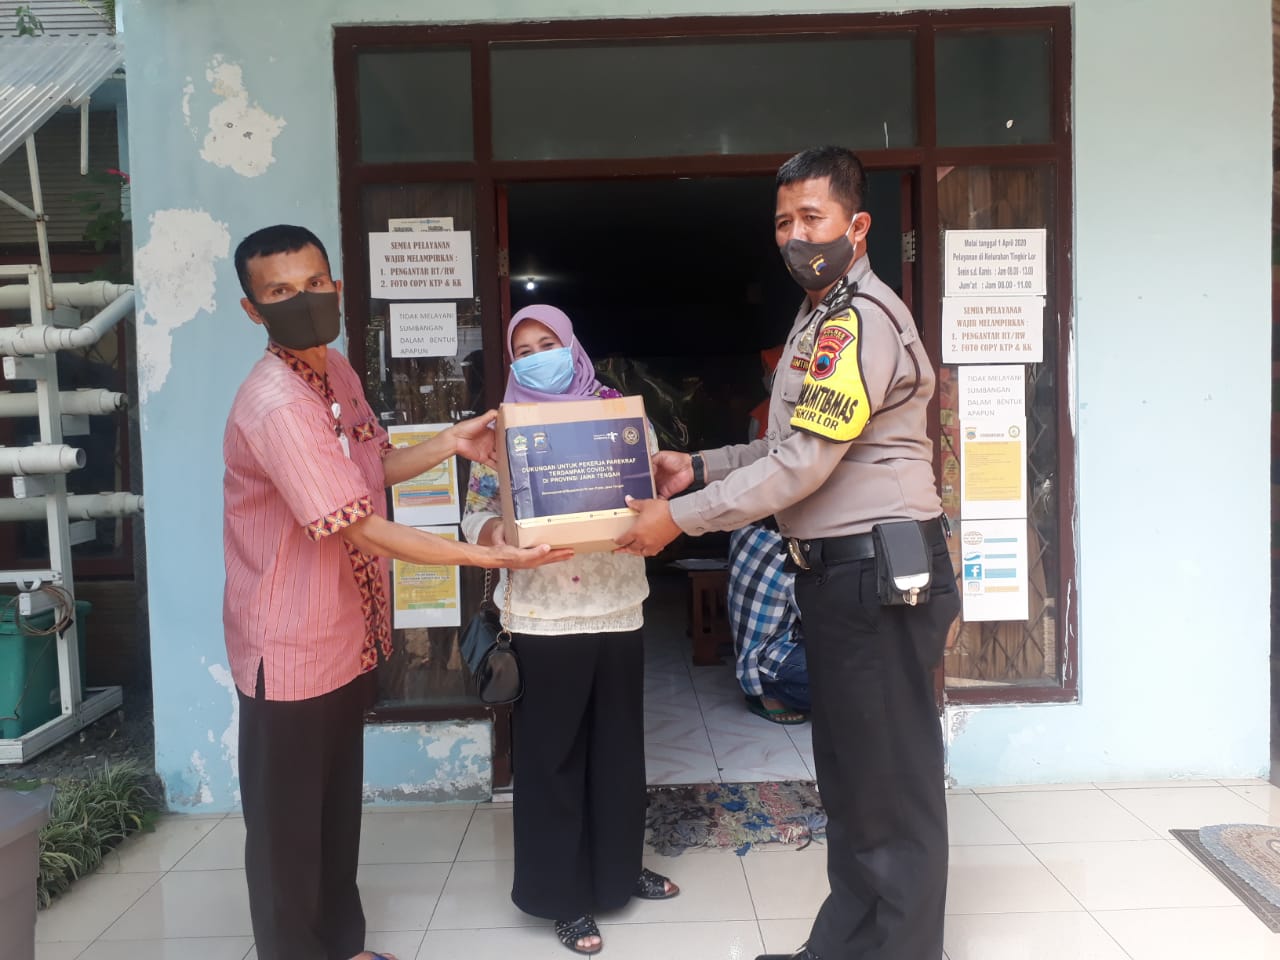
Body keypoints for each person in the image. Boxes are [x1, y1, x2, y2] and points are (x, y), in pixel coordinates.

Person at [617, 147, 960, 960]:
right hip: (842, 578)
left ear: (856, 224)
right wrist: (698, 467)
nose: (796, 236)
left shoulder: (858, 320)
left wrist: (680, 519)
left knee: (891, 784)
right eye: (783, 222)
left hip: (877, 574)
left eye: (812, 217)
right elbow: (785, 445)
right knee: (851, 779)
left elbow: (804, 466)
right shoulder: (816, 319)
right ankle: (844, 944)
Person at [223, 225, 570, 960]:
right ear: (253, 310)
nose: (303, 300)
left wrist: (449, 442)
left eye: (314, 283)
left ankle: (343, 946)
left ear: (336, 285)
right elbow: (361, 527)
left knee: (332, 815)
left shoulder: (336, 372)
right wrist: (480, 552)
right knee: (288, 834)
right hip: (288, 646)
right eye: (279, 291)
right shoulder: (276, 403)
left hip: (343, 638)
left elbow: (370, 468)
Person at [461, 304, 678, 955]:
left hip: (616, 604)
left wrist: (656, 512)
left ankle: (618, 869)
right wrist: (501, 535)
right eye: (523, 350)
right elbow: (475, 514)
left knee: (619, 748)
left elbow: (652, 493)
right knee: (552, 757)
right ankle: (562, 896)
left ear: (572, 346)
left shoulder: (620, 417)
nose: (537, 358)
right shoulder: (504, 427)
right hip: (543, 614)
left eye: (547, 343)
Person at [727, 520, 809, 724]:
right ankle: (772, 693)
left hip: (749, 656)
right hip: (772, 659)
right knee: (855, 671)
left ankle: (767, 688)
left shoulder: (742, 532)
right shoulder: (792, 558)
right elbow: (823, 623)